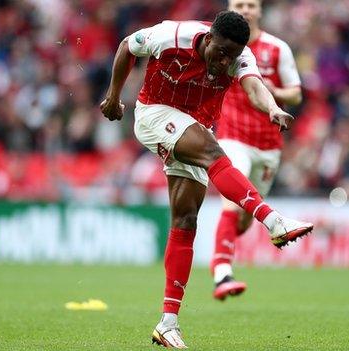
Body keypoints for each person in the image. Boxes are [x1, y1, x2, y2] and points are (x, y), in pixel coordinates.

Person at [99, 11, 313, 349]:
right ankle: (272, 221)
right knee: (214, 153)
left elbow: (254, 87)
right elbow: (128, 45)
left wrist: (271, 109)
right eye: (221, 51)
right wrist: (114, 97)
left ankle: (168, 324)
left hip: (194, 124)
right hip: (154, 113)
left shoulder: (240, 56)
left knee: (185, 220)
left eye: (233, 54)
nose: (224, 60)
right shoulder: (172, 35)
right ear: (209, 38)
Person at [210, 0, 303, 301]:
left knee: (243, 219)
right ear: (230, 8)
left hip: (268, 145)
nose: (246, 9)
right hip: (232, 137)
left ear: (260, 10)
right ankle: (221, 270)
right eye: (240, 4)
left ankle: (222, 245)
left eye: (251, 4)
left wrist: (274, 93)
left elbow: (297, 94)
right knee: (233, 204)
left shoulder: (277, 49)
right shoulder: (221, 45)